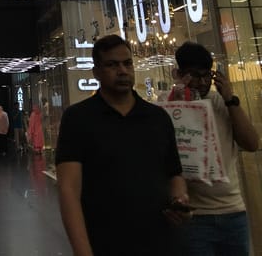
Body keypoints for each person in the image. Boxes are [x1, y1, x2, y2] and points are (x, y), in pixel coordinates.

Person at [55, 34, 189, 256]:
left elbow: (174, 174)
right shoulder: (78, 119)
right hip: (105, 243)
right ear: (96, 72)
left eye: (127, 63)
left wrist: (179, 200)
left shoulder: (157, 118)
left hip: (161, 242)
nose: (123, 71)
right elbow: (69, 190)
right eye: (112, 65)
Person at [174, 41, 259, 256]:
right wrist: (180, 100)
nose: (202, 83)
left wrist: (230, 99)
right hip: (195, 216)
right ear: (180, 74)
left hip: (233, 211)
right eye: (195, 76)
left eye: (206, 76)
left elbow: (251, 144)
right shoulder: (169, 106)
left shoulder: (221, 103)